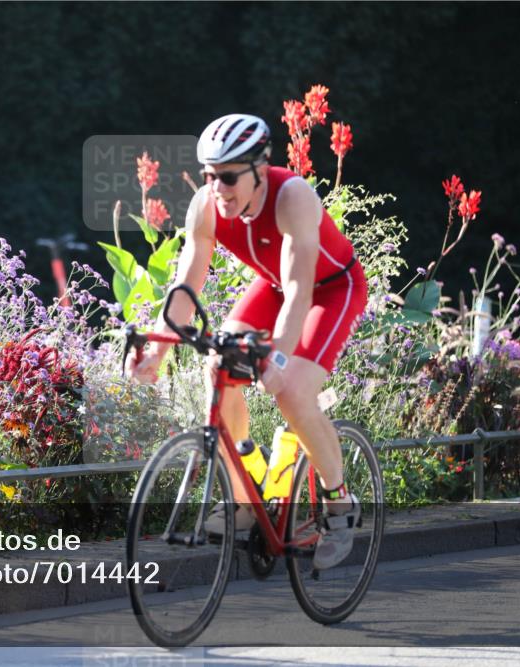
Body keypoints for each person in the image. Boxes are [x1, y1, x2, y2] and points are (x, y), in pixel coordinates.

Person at [125, 113, 369, 569]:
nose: (219, 187)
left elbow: (300, 292)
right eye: (210, 175)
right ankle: (243, 500)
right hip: (274, 287)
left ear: (260, 168)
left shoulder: (291, 197)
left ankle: (339, 503)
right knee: (218, 366)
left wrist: (276, 357)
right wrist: (157, 350)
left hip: (332, 289)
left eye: (230, 176)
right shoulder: (206, 206)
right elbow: (185, 287)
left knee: (293, 391)